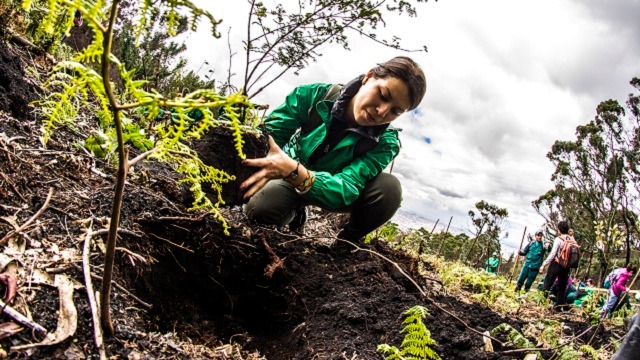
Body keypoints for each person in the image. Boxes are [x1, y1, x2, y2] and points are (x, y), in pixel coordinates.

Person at [241, 57, 427, 242]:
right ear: (369, 77)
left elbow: (347, 187)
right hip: (287, 176)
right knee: (257, 208)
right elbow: (267, 137)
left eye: (395, 111)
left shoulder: (386, 143)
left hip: (334, 191)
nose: (382, 111)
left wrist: (296, 172)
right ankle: (296, 213)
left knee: (389, 189)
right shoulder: (313, 96)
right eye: (383, 95)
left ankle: (347, 243)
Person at [539, 220, 574, 309]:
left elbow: (553, 253)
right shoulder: (571, 239)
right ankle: (558, 308)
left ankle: (542, 305)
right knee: (562, 289)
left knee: (547, 285)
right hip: (566, 267)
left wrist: (544, 264)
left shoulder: (559, 239)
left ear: (559, 229)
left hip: (556, 264)